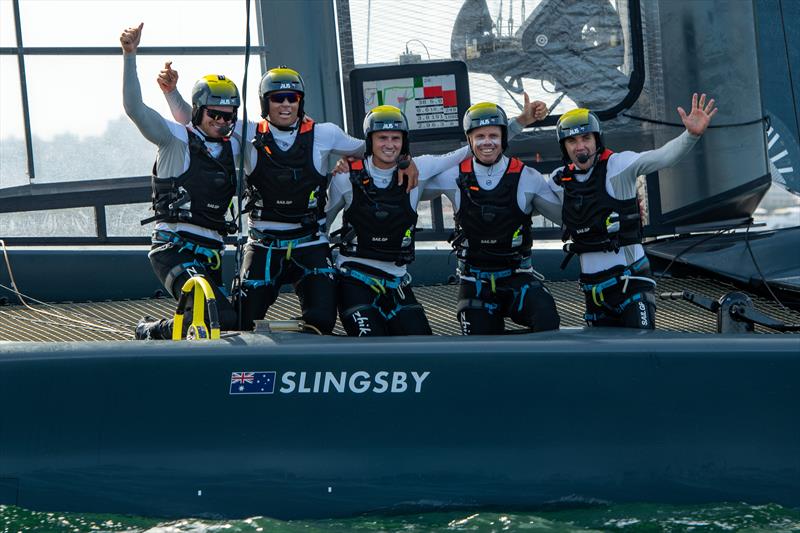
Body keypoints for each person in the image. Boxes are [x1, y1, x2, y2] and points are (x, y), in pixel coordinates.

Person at [159, 65, 417, 334]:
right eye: (277, 98)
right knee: (239, 321)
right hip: (263, 246)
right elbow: (199, 122)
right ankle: (162, 328)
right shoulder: (246, 132)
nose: (285, 104)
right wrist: (171, 92)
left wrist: (405, 160)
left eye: (292, 98)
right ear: (265, 102)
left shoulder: (325, 134)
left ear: (300, 102)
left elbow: (374, 148)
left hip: (310, 244)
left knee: (322, 321)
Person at [549, 93, 717, 329]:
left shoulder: (620, 166)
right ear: (564, 147)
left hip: (631, 284)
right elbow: (516, 194)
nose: (580, 146)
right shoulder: (558, 181)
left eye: (586, 138)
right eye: (572, 141)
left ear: (597, 140)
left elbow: (663, 157)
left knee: (642, 351)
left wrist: (690, 136)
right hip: (594, 291)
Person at [120, 23, 240, 340]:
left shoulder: (234, 145)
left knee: (232, 321)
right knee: (219, 316)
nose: (222, 122)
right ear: (201, 111)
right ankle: (152, 331)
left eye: (229, 116)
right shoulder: (175, 139)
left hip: (212, 252)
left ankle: (160, 331)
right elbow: (135, 109)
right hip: (174, 248)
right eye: (215, 114)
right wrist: (129, 55)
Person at [326, 105, 470, 336]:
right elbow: (322, 224)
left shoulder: (419, 169)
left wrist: (517, 124)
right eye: (382, 138)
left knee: (423, 348)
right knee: (372, 345)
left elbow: (471, 150)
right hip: (354, 280)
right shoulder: (344, 177)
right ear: (369, 140)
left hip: (396, 282)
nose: (390, 144)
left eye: (396, 138)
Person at [422, 99, 561, 335]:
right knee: (480, 346)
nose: (487, 142)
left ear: (504, 139)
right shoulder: (452, 176)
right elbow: (407, 191)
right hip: (474, 282)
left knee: (547, 320)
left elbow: (565, 218)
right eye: (480, 136)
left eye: (494, 136)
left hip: (518, 278)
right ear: (469, 141)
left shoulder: (529, 176)